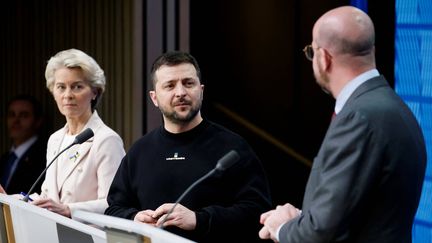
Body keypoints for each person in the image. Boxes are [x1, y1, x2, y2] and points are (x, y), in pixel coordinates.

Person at [259, 6, 426, 243]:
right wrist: (302, 220)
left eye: (311, 52)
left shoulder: (359, 118)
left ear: (324, 58)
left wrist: (282, 227)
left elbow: (321, 234)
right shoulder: (392, 107)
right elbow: (350, 211)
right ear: (372, 51)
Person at [105, 51, 272, 243]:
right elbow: (113, 209)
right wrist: (134, 218)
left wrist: (199, 219)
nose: (181, 92)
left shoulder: (233, 148)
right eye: (169, 85)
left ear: (201, 90)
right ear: (154, 98)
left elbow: (258, 211)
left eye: (188, 83)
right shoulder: (139, 151)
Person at [29, 48, 125, 218]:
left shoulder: (106, 139)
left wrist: (69, 210)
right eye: (61, 87)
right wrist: (13, 200)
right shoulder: (55, 139)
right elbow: (49, 198)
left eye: (77, 87)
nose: (68, 95)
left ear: (94, 92)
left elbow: (114, 203)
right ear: (53, 92)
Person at [0, 94, 47, 194]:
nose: (16, 121)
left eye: (24, 115)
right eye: (12, 114)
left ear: (37, 121)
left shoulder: (45, 157)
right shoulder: (4, 159)